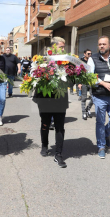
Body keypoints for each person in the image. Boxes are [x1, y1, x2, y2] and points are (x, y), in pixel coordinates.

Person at [33, 37, 68, 168]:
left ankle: (58, 154)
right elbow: (35, 75)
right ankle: (44, 145)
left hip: (60, 97)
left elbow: (72, 80)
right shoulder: (42, 60)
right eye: (61, 47)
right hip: (45, 97)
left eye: (64, 47)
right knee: (45, 123)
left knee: (59, 126)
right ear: (53, 47)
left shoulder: (66, 61)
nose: (63, 49)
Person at [87, 36, 110, 159]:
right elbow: (89, 76)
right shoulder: (92, 59)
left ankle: (105, 134)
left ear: (109, 45)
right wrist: (103, 83)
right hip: (99, 95)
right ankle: (101, 146)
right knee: (100, 121)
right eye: (100, 44)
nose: (101, 46)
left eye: (104, 44)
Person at [78, 49, 94, 120]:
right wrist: (78, 83)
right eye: (88, 54)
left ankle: (88, 109)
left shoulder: (93, 61)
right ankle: (84, 112)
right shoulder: (80, 61)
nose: (90, 55)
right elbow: (77, 73)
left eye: (90, 53)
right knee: (84, 98)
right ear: (84, 54)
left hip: (91, 82)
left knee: (94, 98)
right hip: (83, 82)